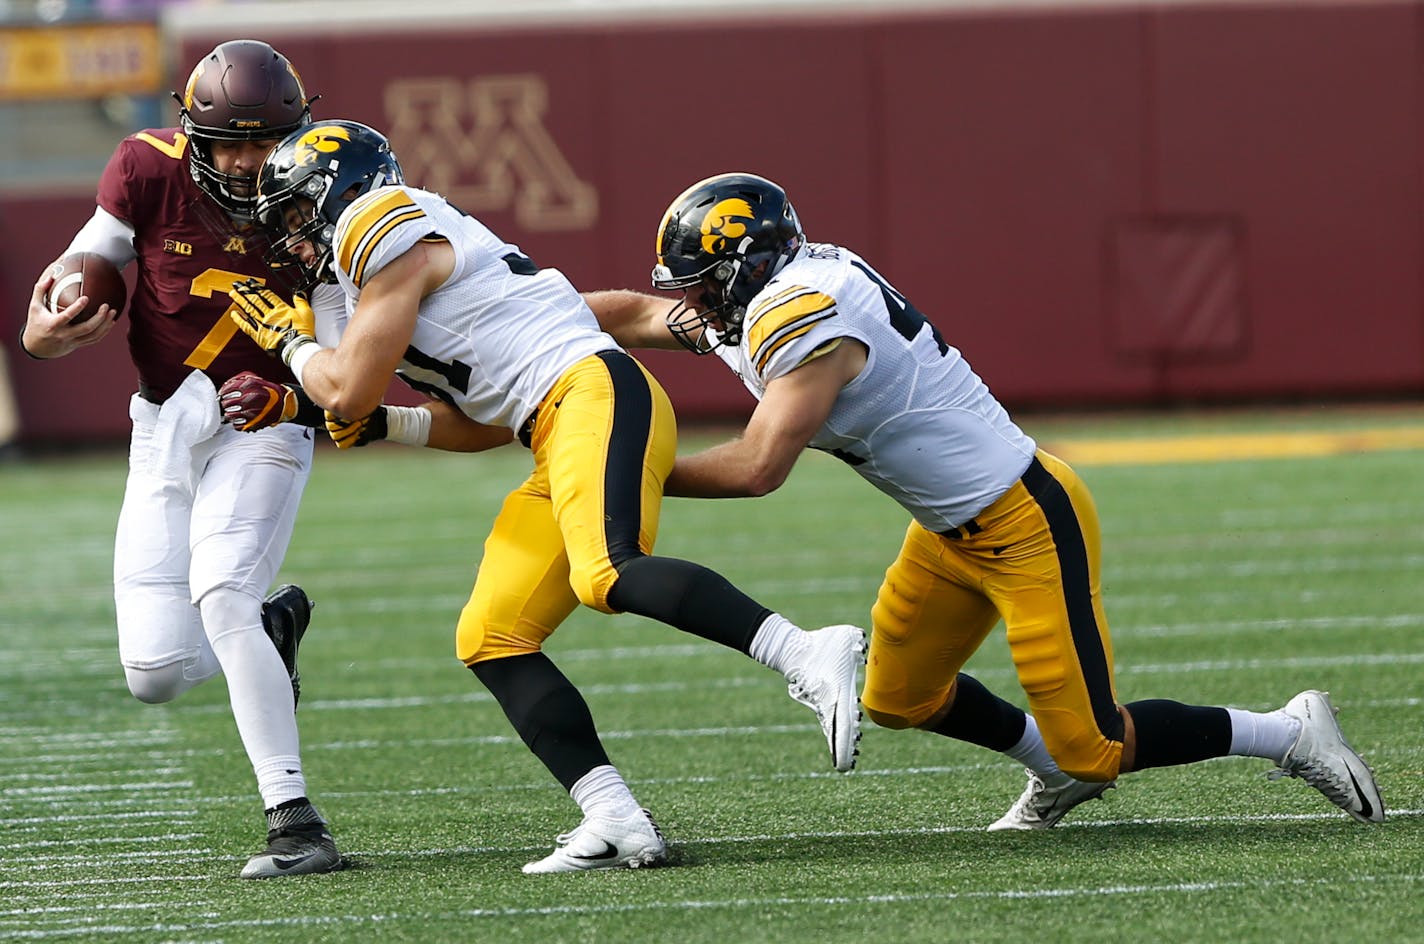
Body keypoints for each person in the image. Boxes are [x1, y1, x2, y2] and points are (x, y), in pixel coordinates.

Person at [583, 171, 1386, 830]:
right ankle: (1052, 772)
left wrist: (628, 469)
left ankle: (1286, 731)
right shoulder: (765, 294)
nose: (689, 304)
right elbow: (637, 313)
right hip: (947, 532)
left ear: (743, 268)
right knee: (898, 697)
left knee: (1099, 743)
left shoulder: (806, 317)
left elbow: (760, 465)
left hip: (1026, 516)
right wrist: (531, 328)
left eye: (700, 284)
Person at [222, 120, 867, 873]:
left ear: (344, 193)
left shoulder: (378, 218)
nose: (295, 240)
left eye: (300, 216)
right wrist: (376, 418)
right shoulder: (375, 276)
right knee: (492, 634)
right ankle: (614, 815)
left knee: (608, 571)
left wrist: (292, 346)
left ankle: (806, 650)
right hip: (553, 422)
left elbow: (348, 386)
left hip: (593, 391)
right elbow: (484, 420)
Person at [18, 40, 344, 878]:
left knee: (222, 589)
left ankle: (294, 818)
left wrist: (308, 399)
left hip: (266, 419)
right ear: (190, 132)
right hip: (164, 426)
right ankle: (273, 631)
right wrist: (44, 327)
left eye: (262, 141)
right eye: (227, 141)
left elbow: (348, 355)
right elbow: (93, 254)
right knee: (155, 672)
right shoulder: (146, 168)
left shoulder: (327, 184)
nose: (243, 161)